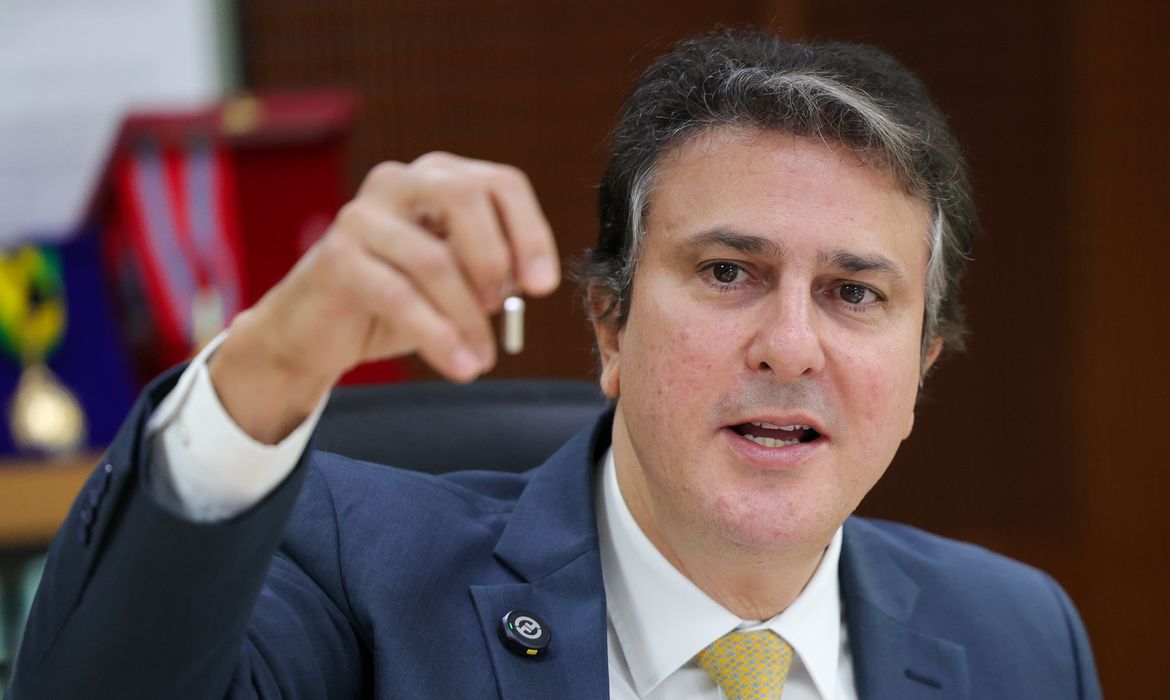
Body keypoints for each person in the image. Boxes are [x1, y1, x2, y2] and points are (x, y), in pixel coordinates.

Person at [9, 28, 1099, 699]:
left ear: (923, 366)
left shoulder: (1017, 636)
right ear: (609, 326)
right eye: (729, 272)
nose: (790, 344)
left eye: (855, 293)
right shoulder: (355, 572)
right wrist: (269, 369)